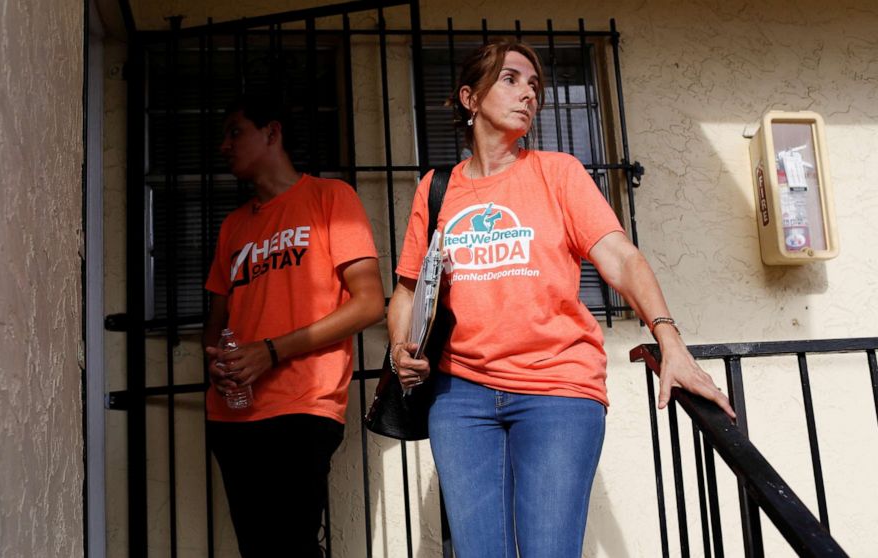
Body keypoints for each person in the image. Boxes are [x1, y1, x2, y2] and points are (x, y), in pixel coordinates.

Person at [387, 40, 736, 558]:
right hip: (459, 397)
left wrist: (671, 341)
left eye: (535, 85)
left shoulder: (559, 173)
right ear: (469, 97)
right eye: (510, 79)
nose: (528, 92)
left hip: (556, 390)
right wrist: (400, 348)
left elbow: (621, 258)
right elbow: (408, 289)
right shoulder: (437, 188)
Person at [203, 97, 384, 557]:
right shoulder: (232, 227)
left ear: (272, 132)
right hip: (233, 415)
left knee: (291, 546)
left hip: (302, 407)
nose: (224, 145)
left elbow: (369, 304)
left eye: (234, 131)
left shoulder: (330, 198)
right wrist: (217, 363)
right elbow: (217, 321)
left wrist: (272, 350)